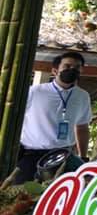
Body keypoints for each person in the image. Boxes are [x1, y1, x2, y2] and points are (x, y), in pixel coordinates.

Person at [15, 51, 91, 183]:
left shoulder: (82, 96)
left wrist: (83, 157)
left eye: (77, 67)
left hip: (64, 156)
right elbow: (15, 120)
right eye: (67, 66)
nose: (72, 70)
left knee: (75, 189)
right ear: (55, 71)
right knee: (22, 192)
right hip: (31, 155)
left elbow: (82, 127)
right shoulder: (35, 92)